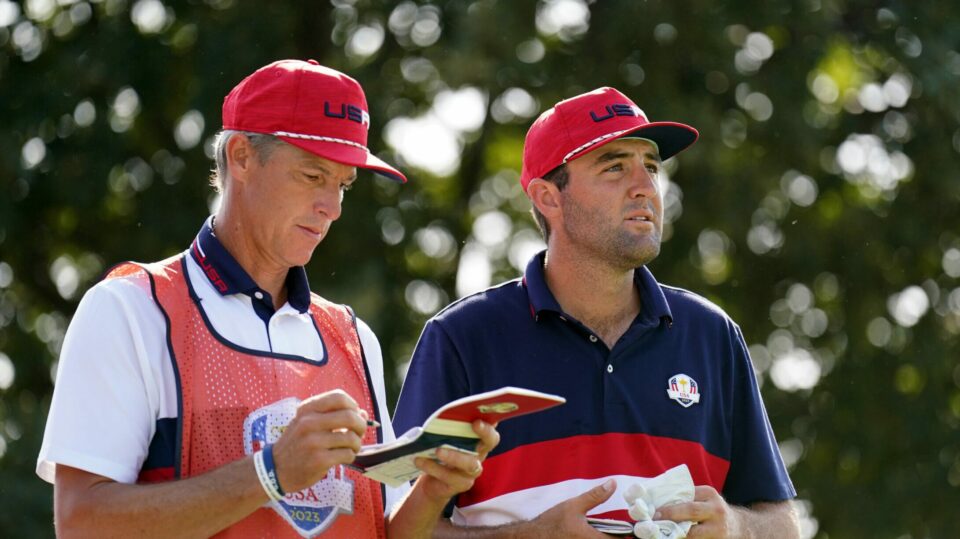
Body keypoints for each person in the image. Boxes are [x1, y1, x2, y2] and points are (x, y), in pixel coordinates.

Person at [36, 59, 499, 538]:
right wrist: (271, 472)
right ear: (241, 156)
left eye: (343, 184)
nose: (333, 207)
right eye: (313, 175)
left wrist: (433, 489)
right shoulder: (129, 310)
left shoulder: (354, 338)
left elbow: (380, 530)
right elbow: (81, 524)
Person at [393, 87, 799, 537]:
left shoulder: (712, 334)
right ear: (549, 197)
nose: (646, 187)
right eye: (614, 167)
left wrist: (736, 529)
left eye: (650, 166)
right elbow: (397, 527)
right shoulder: (461, 337)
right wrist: (532, 536)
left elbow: (782, 523)